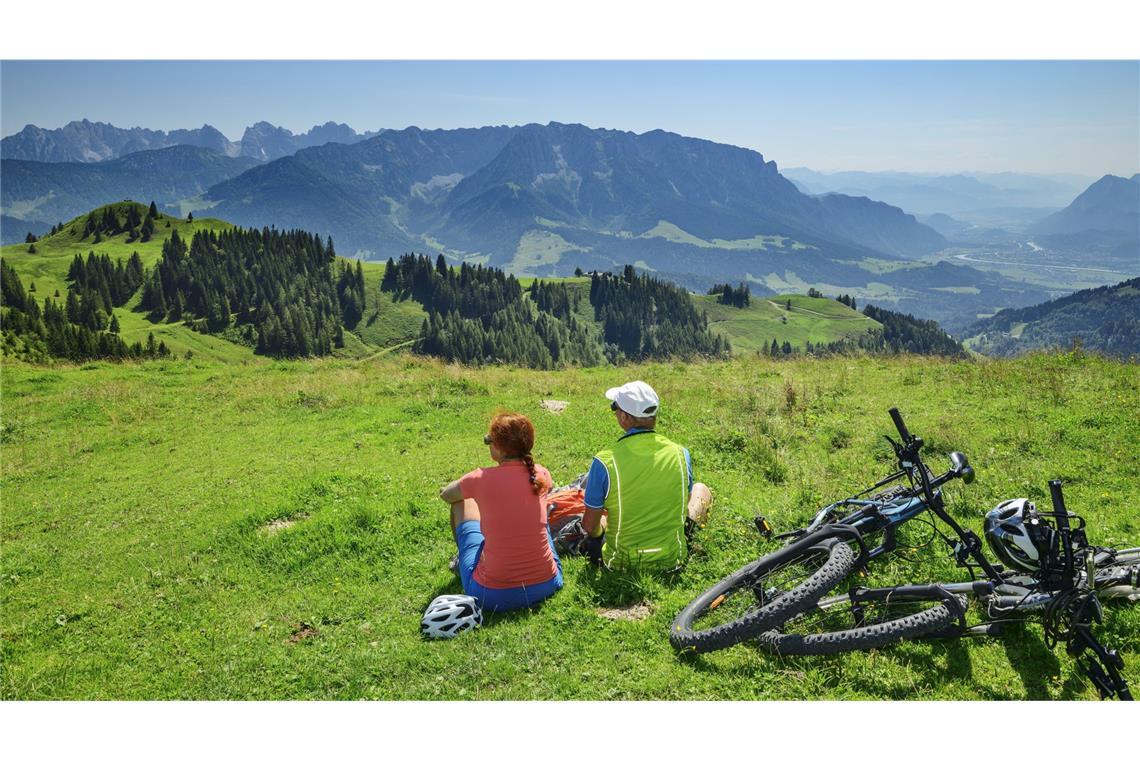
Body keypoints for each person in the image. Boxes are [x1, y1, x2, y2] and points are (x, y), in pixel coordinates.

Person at [581, 380, 712, 571]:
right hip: (672, 558)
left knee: (598, 518)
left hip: (621, 562)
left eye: (614, 408)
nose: (615, 412)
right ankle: (683, 535)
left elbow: (590, 527)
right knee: (701, 490)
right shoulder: (681, 453)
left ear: (625, 417)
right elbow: (686, 498)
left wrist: (600, 531)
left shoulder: (604, 461)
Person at [439, 412, 563, 612]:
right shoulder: (541, 474)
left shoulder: (479, 479)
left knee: (462, 503)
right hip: (547, 584)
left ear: (497, 447)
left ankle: (462, 560)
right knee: (540, 519)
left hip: (490, 594)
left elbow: (447, 495)